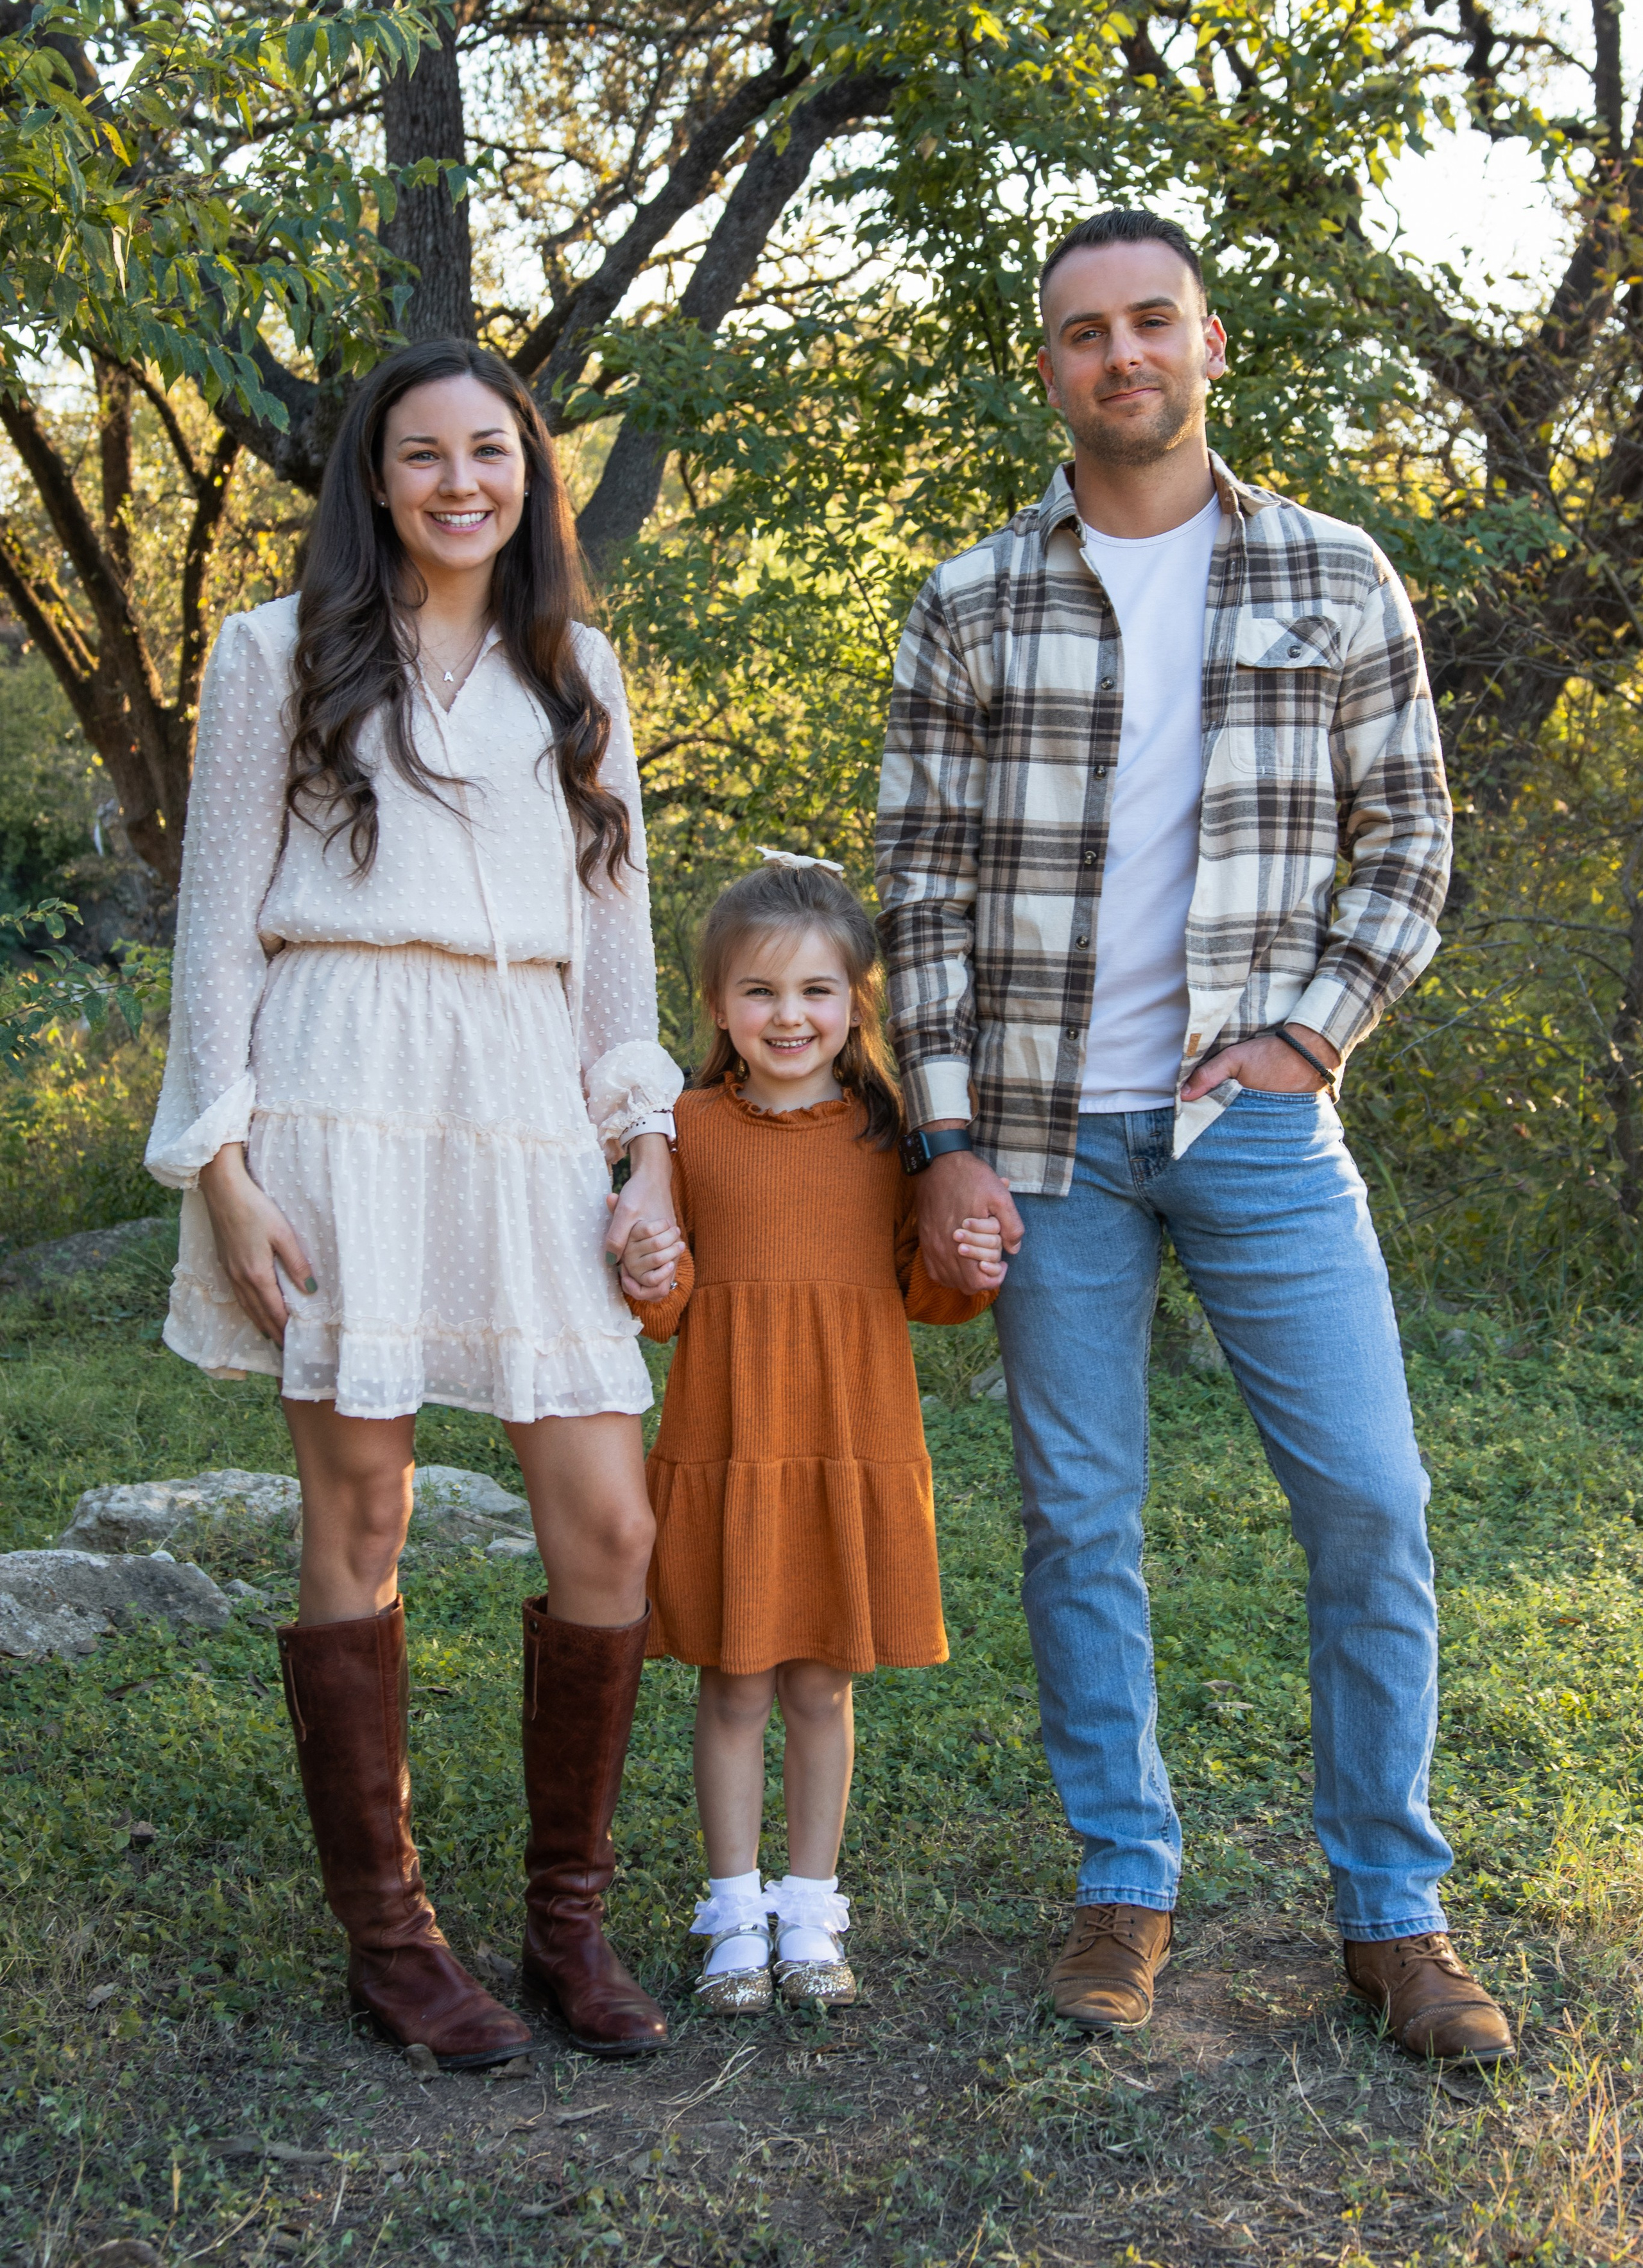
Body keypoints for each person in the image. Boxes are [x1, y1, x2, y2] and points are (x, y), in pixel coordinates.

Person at [874, 208, 1516, 2066]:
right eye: (1085, 333)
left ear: (1208, 342)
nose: (1122, 356)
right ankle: (1122, 1883)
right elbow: (917, 884)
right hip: (1042, 1139)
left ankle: (1391, 1913)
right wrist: (943, 1136)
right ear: (1049, 366)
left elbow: (1411, 835)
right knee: (1077, 1518)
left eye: (1151, 321)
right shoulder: (969, 600)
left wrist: (1313, 1031)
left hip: (1254, 1127)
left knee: (1372, 1503)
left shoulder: (1334, 570)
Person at [144, 342, 687, 2068]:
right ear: (374, 482)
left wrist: (646, 1149)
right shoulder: (277, 652)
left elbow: (616, 944)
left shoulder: (576, 669)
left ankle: (567, 1923)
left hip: (522, 1093)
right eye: (424, 455)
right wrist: (223, 1171)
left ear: (531, 471)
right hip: (340, 1081)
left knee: (608, 1523)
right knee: (361, 1507)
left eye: (491, 451)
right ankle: (392, 1944)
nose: (462, 482)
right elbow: (217, 925)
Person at [617, 855, 1001, 2013]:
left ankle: (812, 1907)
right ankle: (734, 1912)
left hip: (848, 1439)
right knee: (734, 1687)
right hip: (733, 1442)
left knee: (823, 1688)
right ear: (718, 1005)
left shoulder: (895, 1137)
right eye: (761, 992)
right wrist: (646, 1268)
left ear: (858, 1002)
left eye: (816, 991)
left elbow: (925, 1289)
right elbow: (666, 1308)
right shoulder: (685, 1131)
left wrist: (971, 1266)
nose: (789, 1016)